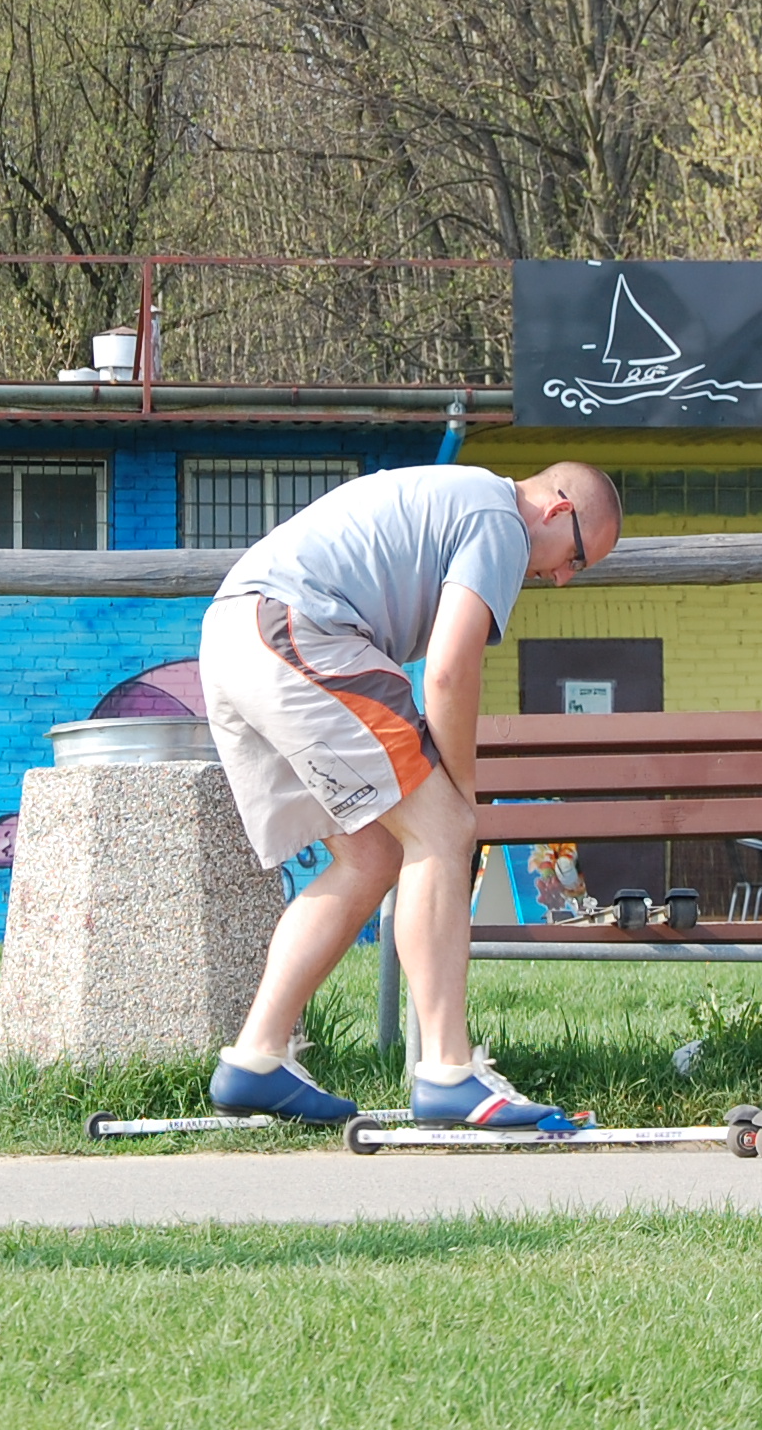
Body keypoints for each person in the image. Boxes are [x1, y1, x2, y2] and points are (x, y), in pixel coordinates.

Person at [202, 461, 621, 1126]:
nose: (564, 578)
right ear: (557, 508)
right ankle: (449, 1070)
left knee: (372, 856)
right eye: (576, 558)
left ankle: (256, 1057)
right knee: (443, 830)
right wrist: (463, 800)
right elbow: (449, 673)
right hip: (295, 629)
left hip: (236, 637)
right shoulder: (500, 519)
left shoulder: (462, 499)